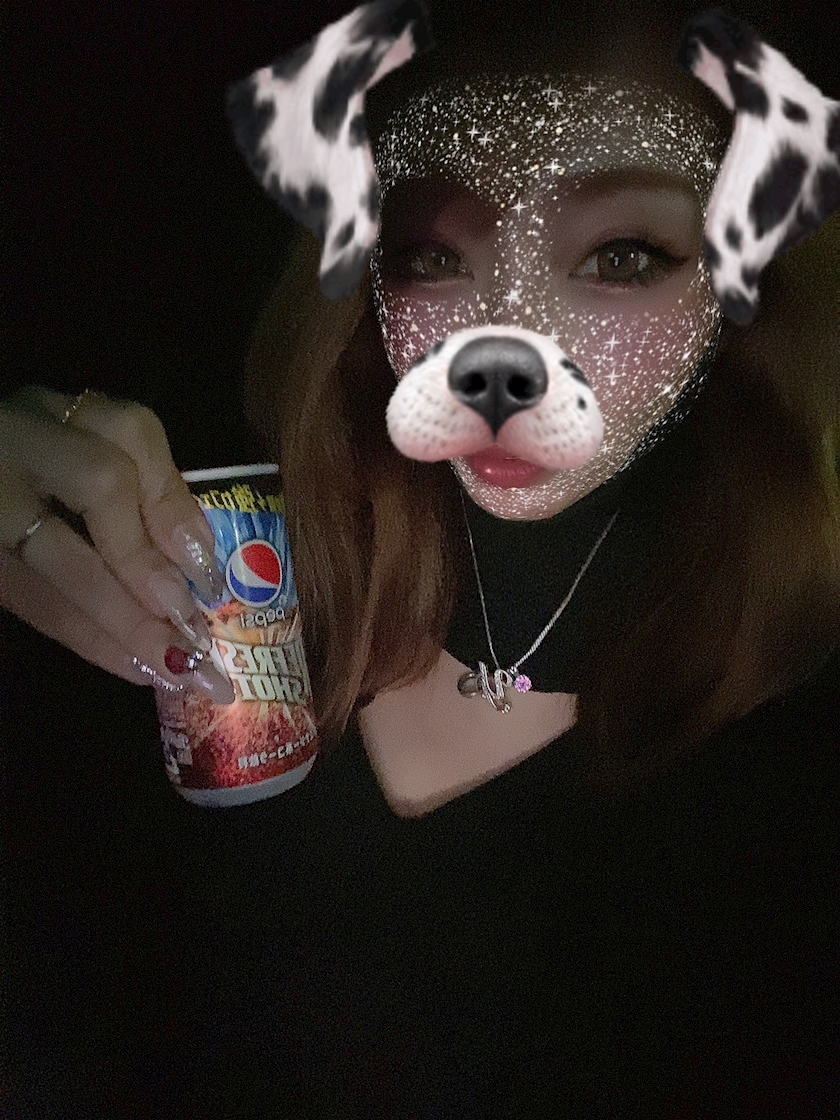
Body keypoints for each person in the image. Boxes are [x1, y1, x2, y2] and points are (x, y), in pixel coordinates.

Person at [4, 1, 839, 1115]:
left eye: (623, 255)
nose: (503, 347)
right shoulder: (209, 527)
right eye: (431, 254)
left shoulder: (792, 729)